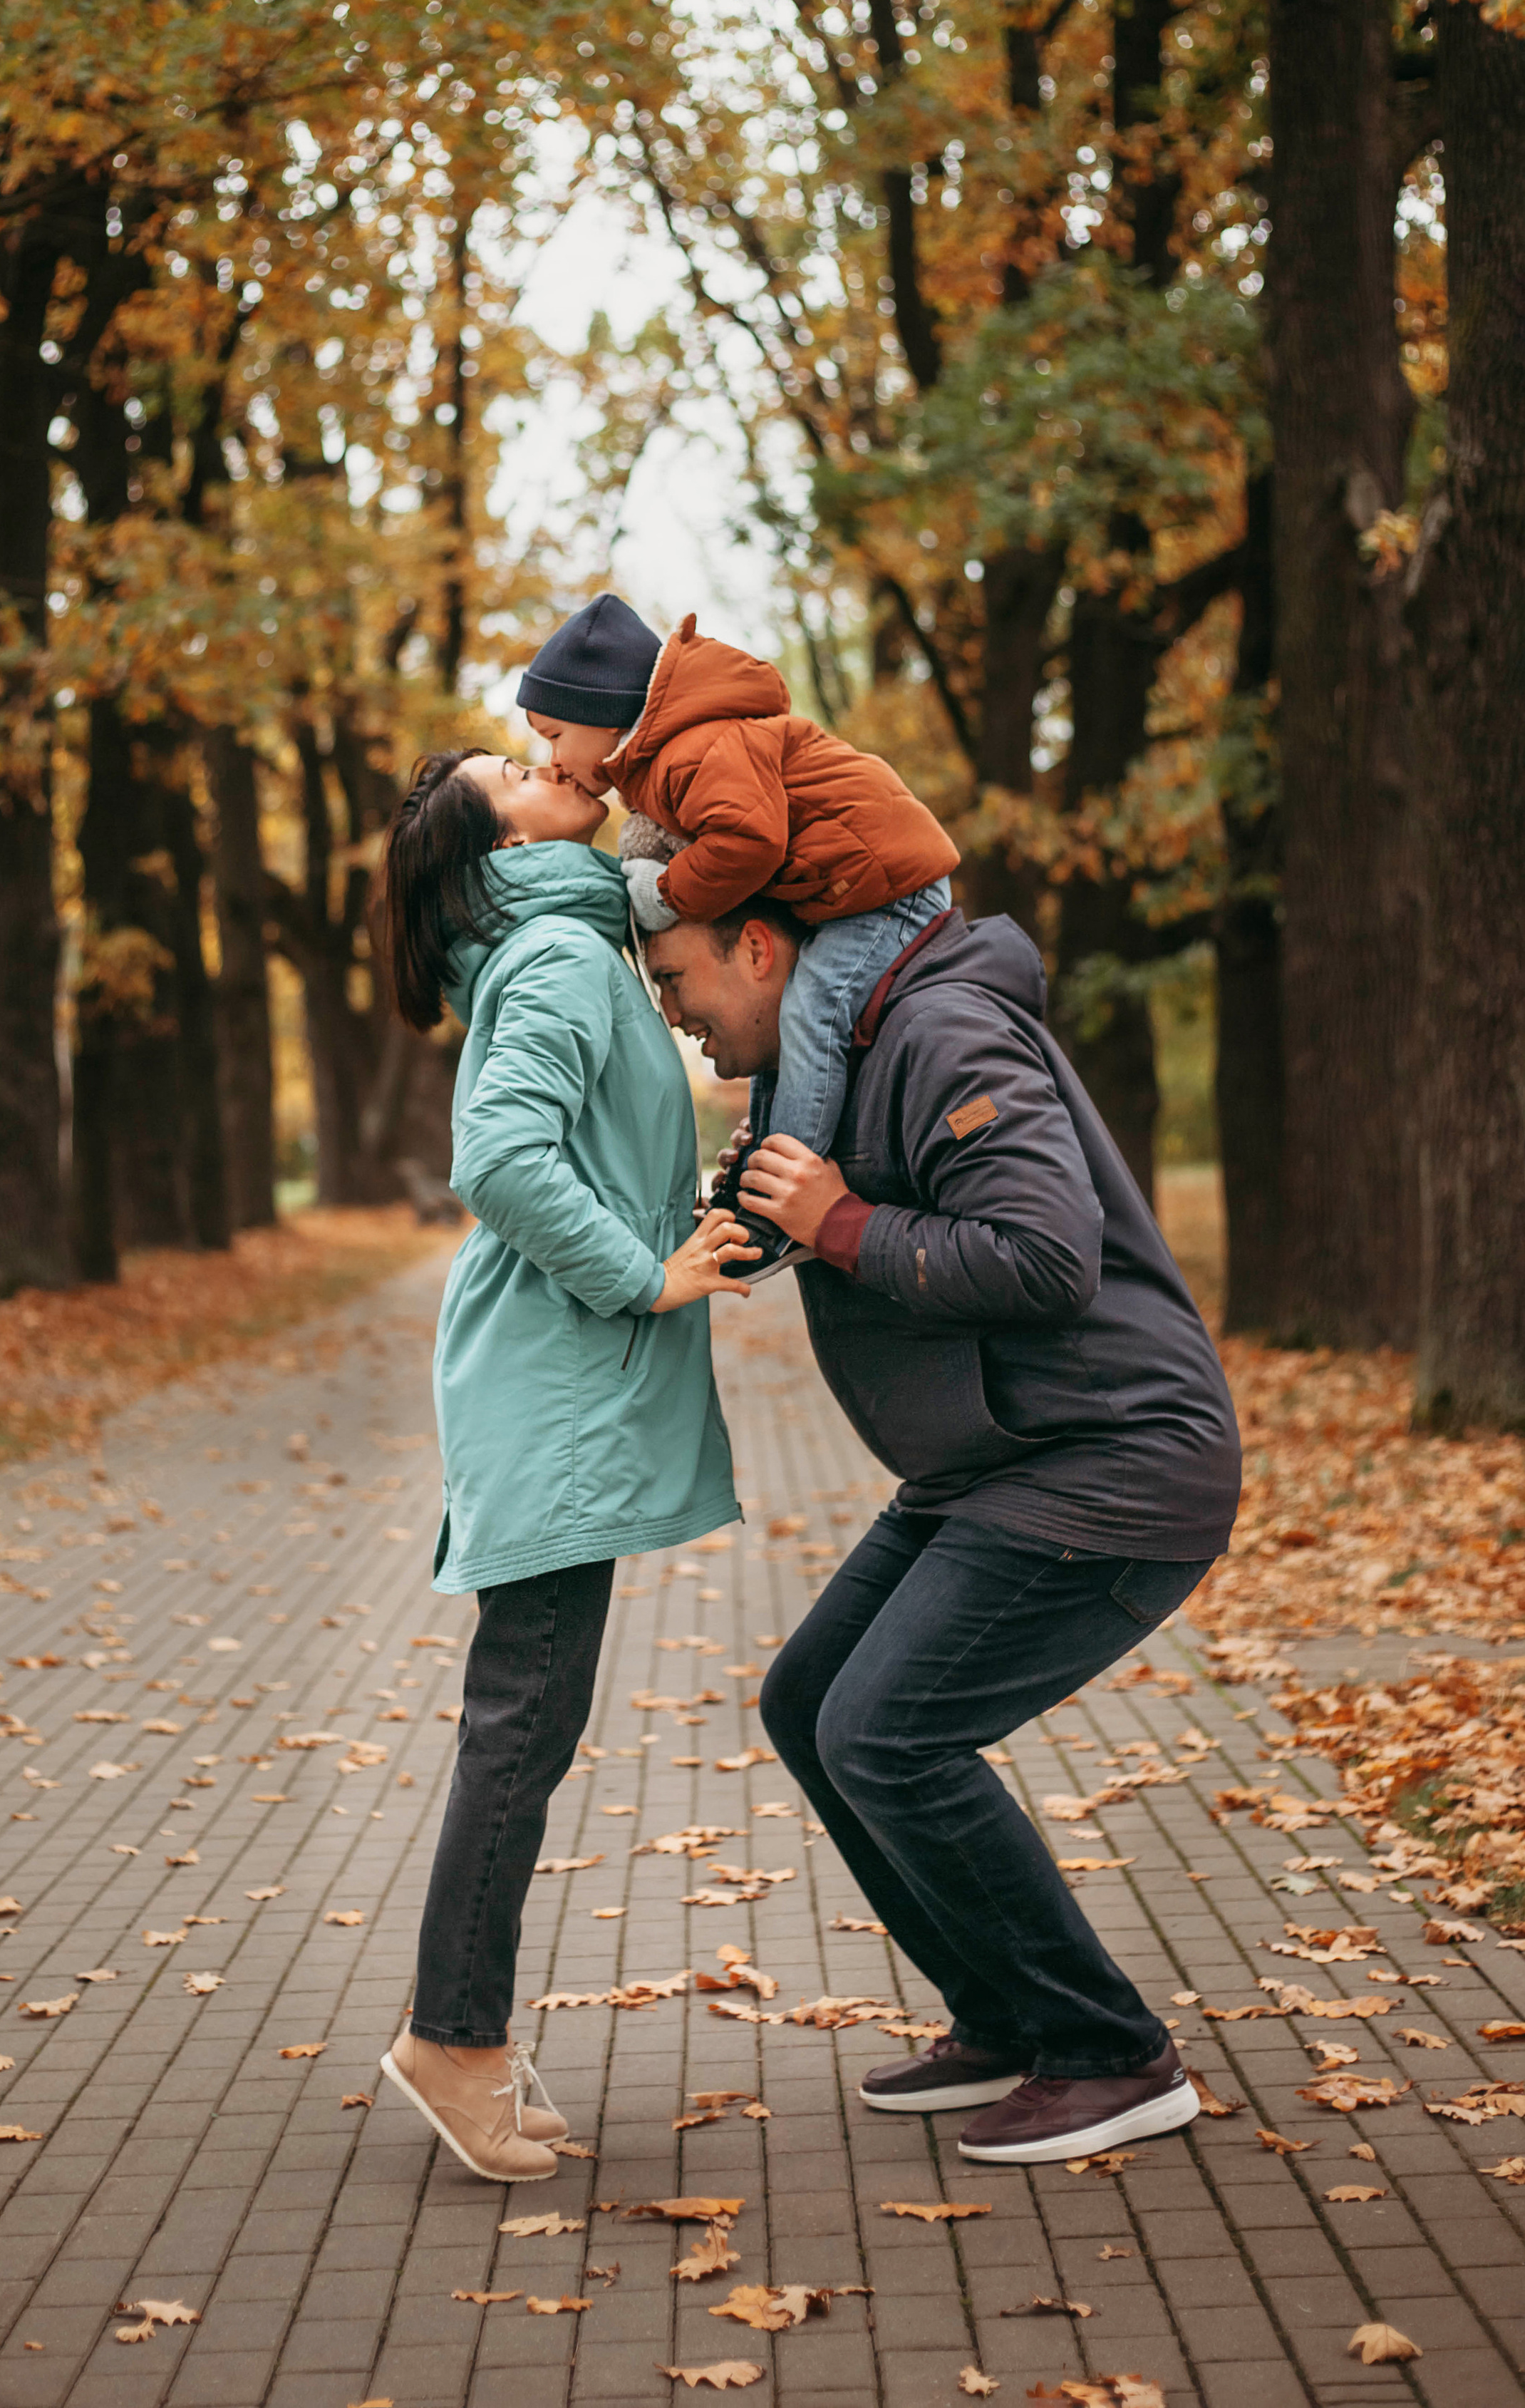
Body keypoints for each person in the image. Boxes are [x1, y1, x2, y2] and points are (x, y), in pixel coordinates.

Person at [640, 888, 1242, 2166]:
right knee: (811, 1704)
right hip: (998, 1457)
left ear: (758, 950)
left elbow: (1044, 1258)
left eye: (678, 979)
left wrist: (839, 1223)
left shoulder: (940, 1031)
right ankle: (1010, 2014)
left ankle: (1109, 2050)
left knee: (888, 1732)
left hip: (1113, 1455)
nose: (674, 1013)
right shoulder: (824, 1067)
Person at [371, 748, 756, 2186]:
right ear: (494, 846)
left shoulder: (566, 938)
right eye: (518, 774)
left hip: (549, 1378)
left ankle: (460, 2033)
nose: (552, 766)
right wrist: (642, 1279)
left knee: (527, 1720)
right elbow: (502, 1159)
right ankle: (449, 2044)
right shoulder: (548, 953)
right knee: (519, 1723)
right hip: (549, 1378)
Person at [517, 595, 960, 1275]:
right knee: (784, 1028)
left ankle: (783, 1207)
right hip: (849, 888)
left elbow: (750, 840)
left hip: (886, 890)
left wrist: (664, 894)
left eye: (552, 734)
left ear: (602, 715)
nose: (550, 757)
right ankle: (758, 1175)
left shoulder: (695, 749)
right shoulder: (671, 760)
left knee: (812, 1011)